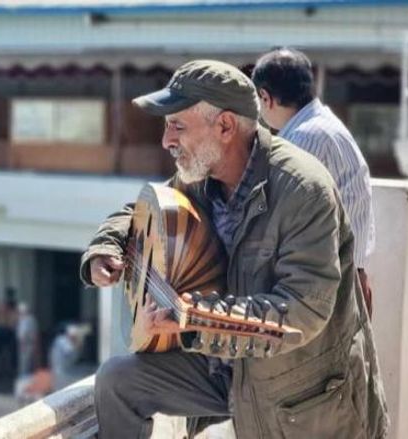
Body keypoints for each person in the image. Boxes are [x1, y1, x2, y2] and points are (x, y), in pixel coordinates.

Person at [80, 60, 388, 438]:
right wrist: (106, 247)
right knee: (117, 381)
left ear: (224, 126)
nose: (166, 141)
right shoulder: (202, 177)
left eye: (177, 126)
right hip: (226, 371)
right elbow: (141, 211)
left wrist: (194, 318)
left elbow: (301, 313)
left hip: (300, 394)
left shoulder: (303, 189)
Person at [252, 47, 376, 317]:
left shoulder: (304, 139)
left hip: (333, 287)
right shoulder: (322, 124)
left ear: (266, 97)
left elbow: (277, 216)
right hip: (348, 276)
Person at [49, 323, 90, 391]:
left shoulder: (67, 341)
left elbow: (75, 357)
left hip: (64, 370)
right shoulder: (62, 341)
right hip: (60, 371)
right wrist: (79, 343)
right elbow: (71, 350)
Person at [16, 302, 39, 378]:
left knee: (25, 364)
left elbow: (24, 334)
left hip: (26, 344)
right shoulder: (29, 319)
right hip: (29, 344)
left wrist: (22, 345)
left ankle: (24, 380)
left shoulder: (27, 320)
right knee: (28, 363)